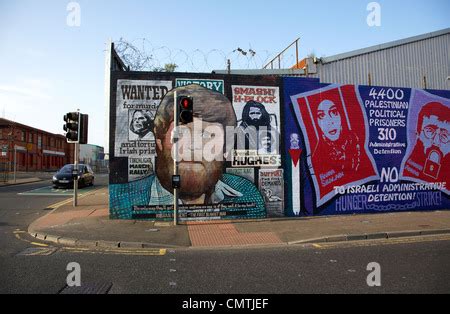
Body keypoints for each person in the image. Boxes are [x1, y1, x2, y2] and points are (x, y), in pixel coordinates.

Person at [110, 84, 265, 219]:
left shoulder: (247, 192)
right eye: (180, 133)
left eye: (207, 135)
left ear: (226, 147)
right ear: (159, 141)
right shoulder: (122, 199)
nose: (193, 146)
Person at [402, 102, 449, 184]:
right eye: (430, 131)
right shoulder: (408, 172)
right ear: (418, 134)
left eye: (444, 136)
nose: (436, 141)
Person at [312, 99, 361, 173]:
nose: (330, 122)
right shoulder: (317, 156)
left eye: (334, 112)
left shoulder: (354, 138)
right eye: (321, 115)